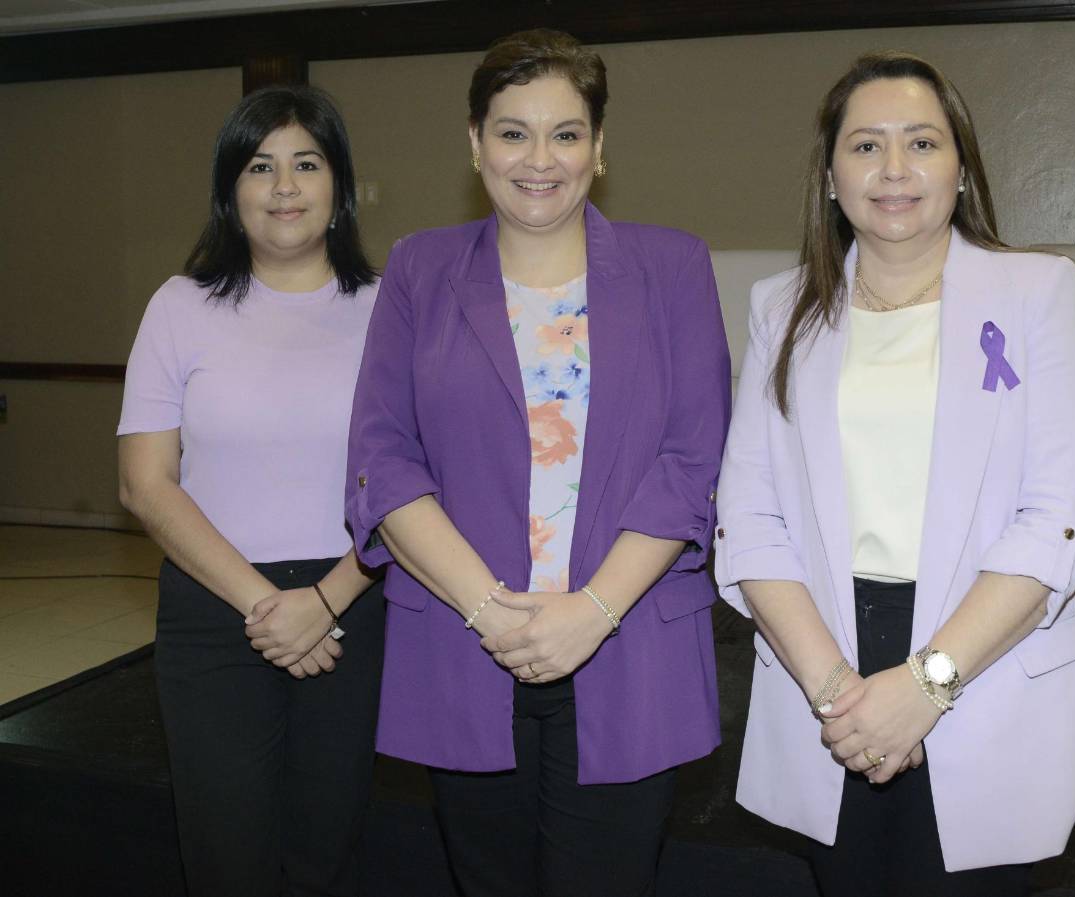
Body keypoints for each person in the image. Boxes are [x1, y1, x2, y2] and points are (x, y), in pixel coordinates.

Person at [346, 28, 731, 897]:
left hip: (627, 647)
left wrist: (591, 611)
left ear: (599, 149)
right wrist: (491, 611)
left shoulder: (672, 266)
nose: (539, 159)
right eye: (512, 131)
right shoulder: (418, 269)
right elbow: (383, 455)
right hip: (464, 641)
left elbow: (692, 457)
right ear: (474, 142)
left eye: (566, 133)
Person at [714, 51, 1075, 896]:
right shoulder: (779, 309)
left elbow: (1057, 518)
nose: (894, 170)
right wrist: (838, 695)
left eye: (922, 143)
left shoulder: (1037, 293)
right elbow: (748, 519)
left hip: (984, 656)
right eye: (865, 147)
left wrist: (928, 685)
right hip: (828, 662)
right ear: (829, 175)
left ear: (961, 167)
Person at [117, 85, 384, 896]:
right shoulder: (178, 306)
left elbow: (416, 484)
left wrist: (328, 600)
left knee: (326, 851)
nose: (285, 186)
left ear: (338, 184)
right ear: (230, 190)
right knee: (225, 854)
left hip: (356, 601)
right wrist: (269, 606)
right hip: (214, 610)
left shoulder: (389, 310)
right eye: (260, 166)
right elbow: (144, 483)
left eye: (306, 163)